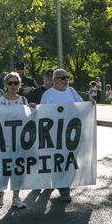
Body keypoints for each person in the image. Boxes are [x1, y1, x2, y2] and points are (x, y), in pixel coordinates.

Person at [40, 68, 90, 202]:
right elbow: (42, 114)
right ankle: (63, 188)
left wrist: (90, 104)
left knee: (69, 159)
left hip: (71, 133)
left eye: (67, 77)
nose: (66, 80)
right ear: (55, 80)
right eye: (63, 78)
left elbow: (81, 105)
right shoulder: (47, 94)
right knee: (58, 160)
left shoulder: (72, 91)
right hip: (54, 134)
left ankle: (61, 183)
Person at [0, 72, 35, 208]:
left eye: (16, 83)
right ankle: (0, 193)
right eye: (10, 83)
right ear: (6, 85)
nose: (13, 85)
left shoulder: (23, 101)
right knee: (2, 168)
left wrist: (32, 109)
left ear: (19, 84)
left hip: (19, 141)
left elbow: (28, 119)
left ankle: (16, 197)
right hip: (2, 141)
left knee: (17, 170)